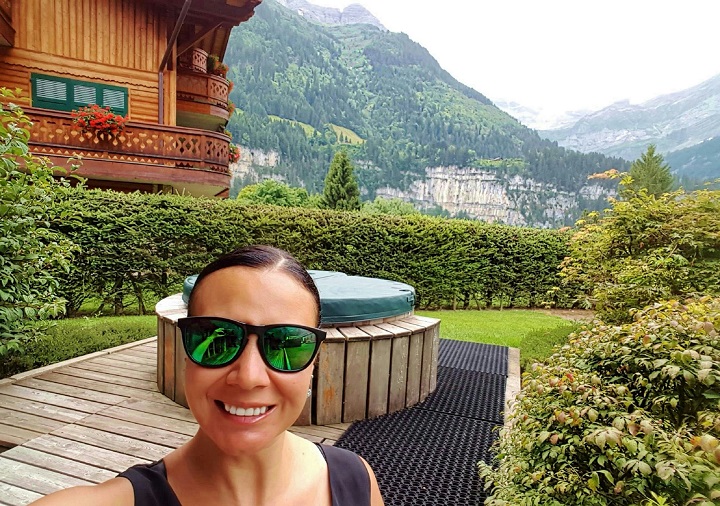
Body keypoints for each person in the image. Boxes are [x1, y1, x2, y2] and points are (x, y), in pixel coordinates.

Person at [32, 245, 384, 505]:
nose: (248, 377)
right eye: (216, 339)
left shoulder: (355, 481)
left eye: (285, 345)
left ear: (314, 363)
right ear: (186, 352)